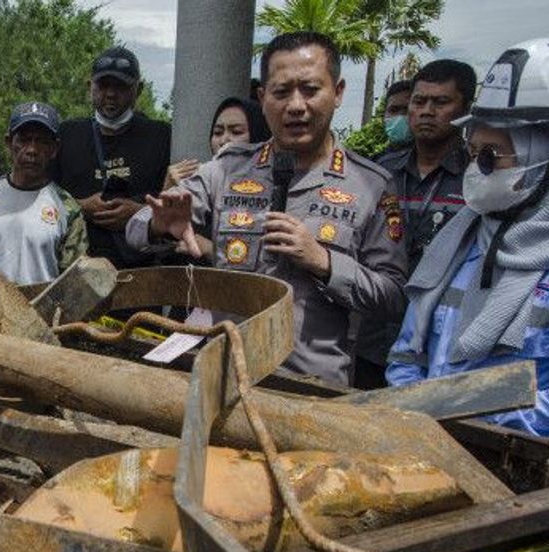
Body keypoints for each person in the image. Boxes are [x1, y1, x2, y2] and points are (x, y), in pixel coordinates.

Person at [127, 31, 407, 385]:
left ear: (337, 93)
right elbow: (135, 230)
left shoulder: (371, 186)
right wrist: (158, 223)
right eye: (281, 92)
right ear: (262, 98)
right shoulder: (227, 169)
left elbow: (394, 297)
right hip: (226, 375)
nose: (295, 105)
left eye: (310, 89)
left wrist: (325, 263)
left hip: (312, 388)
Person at [388, 38, 549, 442]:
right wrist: (419, 419)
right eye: (473, 152)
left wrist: (458, 422)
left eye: (492, 156)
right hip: (426, 450)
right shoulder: (461, 240)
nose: (477, 170)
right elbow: (406, 355)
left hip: (524, 480)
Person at [356, 61, 474, 387]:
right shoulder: (381, 171)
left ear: (466, 109)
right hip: (373, 337)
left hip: (434, 346)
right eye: (419, 102)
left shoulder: (476, 178)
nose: (426, 111)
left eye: (441, 102)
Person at [51, 46, 171, 268]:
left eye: (121, 86)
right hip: (78, 268)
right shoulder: (65, 135)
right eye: (103, 85)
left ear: (139, 89)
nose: (110, 94)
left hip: (141, 270)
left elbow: (179, 201)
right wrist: (80, 206)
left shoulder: (162, 136)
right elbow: (43, 199)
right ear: (90, 87)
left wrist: (141, 213)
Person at [0, 102, 87, 285]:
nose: (32, 150)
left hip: (44, 313)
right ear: (9, 143)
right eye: (24, 140)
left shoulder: (67, 208)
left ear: (54, 149)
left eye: (42, 141)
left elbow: (76, 281)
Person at [163, 96, 271, 189]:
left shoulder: (275, 184)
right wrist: (168, 193)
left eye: (236, 132)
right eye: (218, 132)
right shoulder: (200, 185)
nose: (224, 141)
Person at [380, 79, 415, 154]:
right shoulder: (373, 163)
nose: (400, 116)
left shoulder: (434, 161)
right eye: (393, 110)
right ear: (383, 116)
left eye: (407, 110)